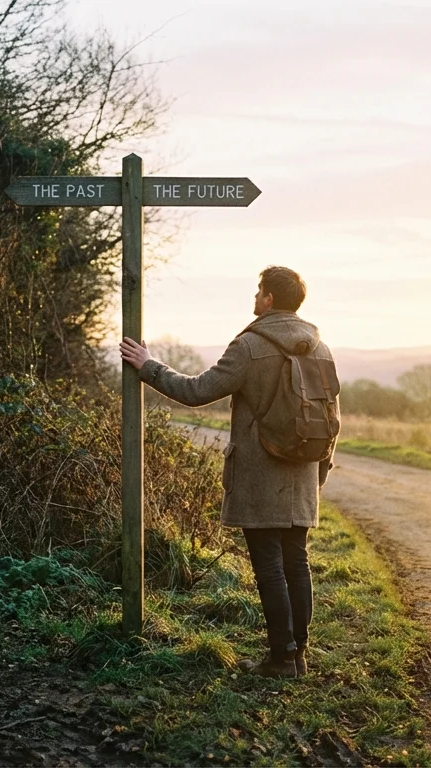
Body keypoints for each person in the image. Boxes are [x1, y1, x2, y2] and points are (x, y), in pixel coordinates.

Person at [119, 266, 336, 678]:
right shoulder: (320, 348)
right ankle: (297, 654)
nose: (255, 297)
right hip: (303, 471)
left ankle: (280, 658)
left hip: (260, 472)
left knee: (270, 565)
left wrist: (148, 366)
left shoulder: (250, 345)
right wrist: (318, 471)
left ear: (269, 298)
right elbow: (332, 418)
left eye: (259, 291)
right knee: (297, 562)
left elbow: (197, 391)